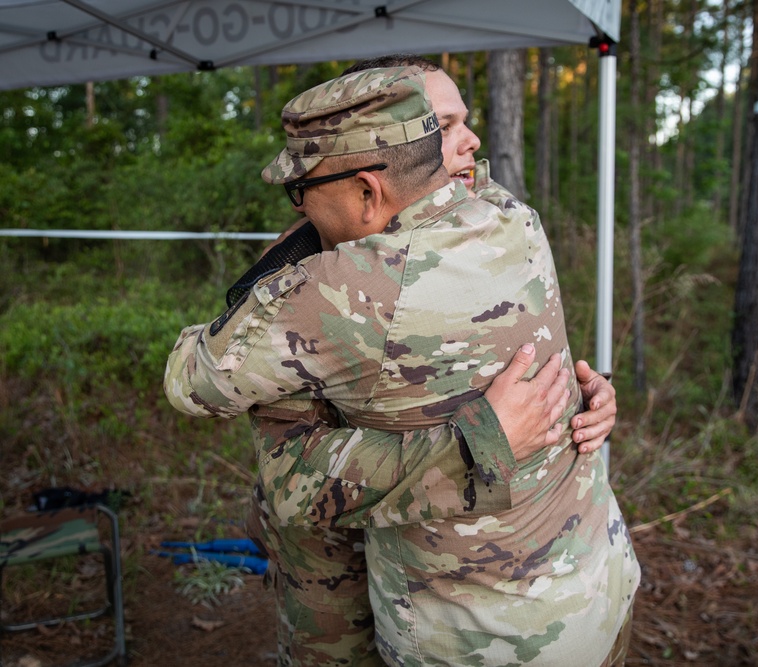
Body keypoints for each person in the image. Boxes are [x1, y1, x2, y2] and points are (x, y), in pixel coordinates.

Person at [165, 65, 638, 666]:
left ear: (368, 190)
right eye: (444, 127)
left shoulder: (335, 293)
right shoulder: (512, 218)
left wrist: (287, 264)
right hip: (598, 585)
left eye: (301, 193)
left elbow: (189, 380)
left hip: (478, 641)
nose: (302, 209)